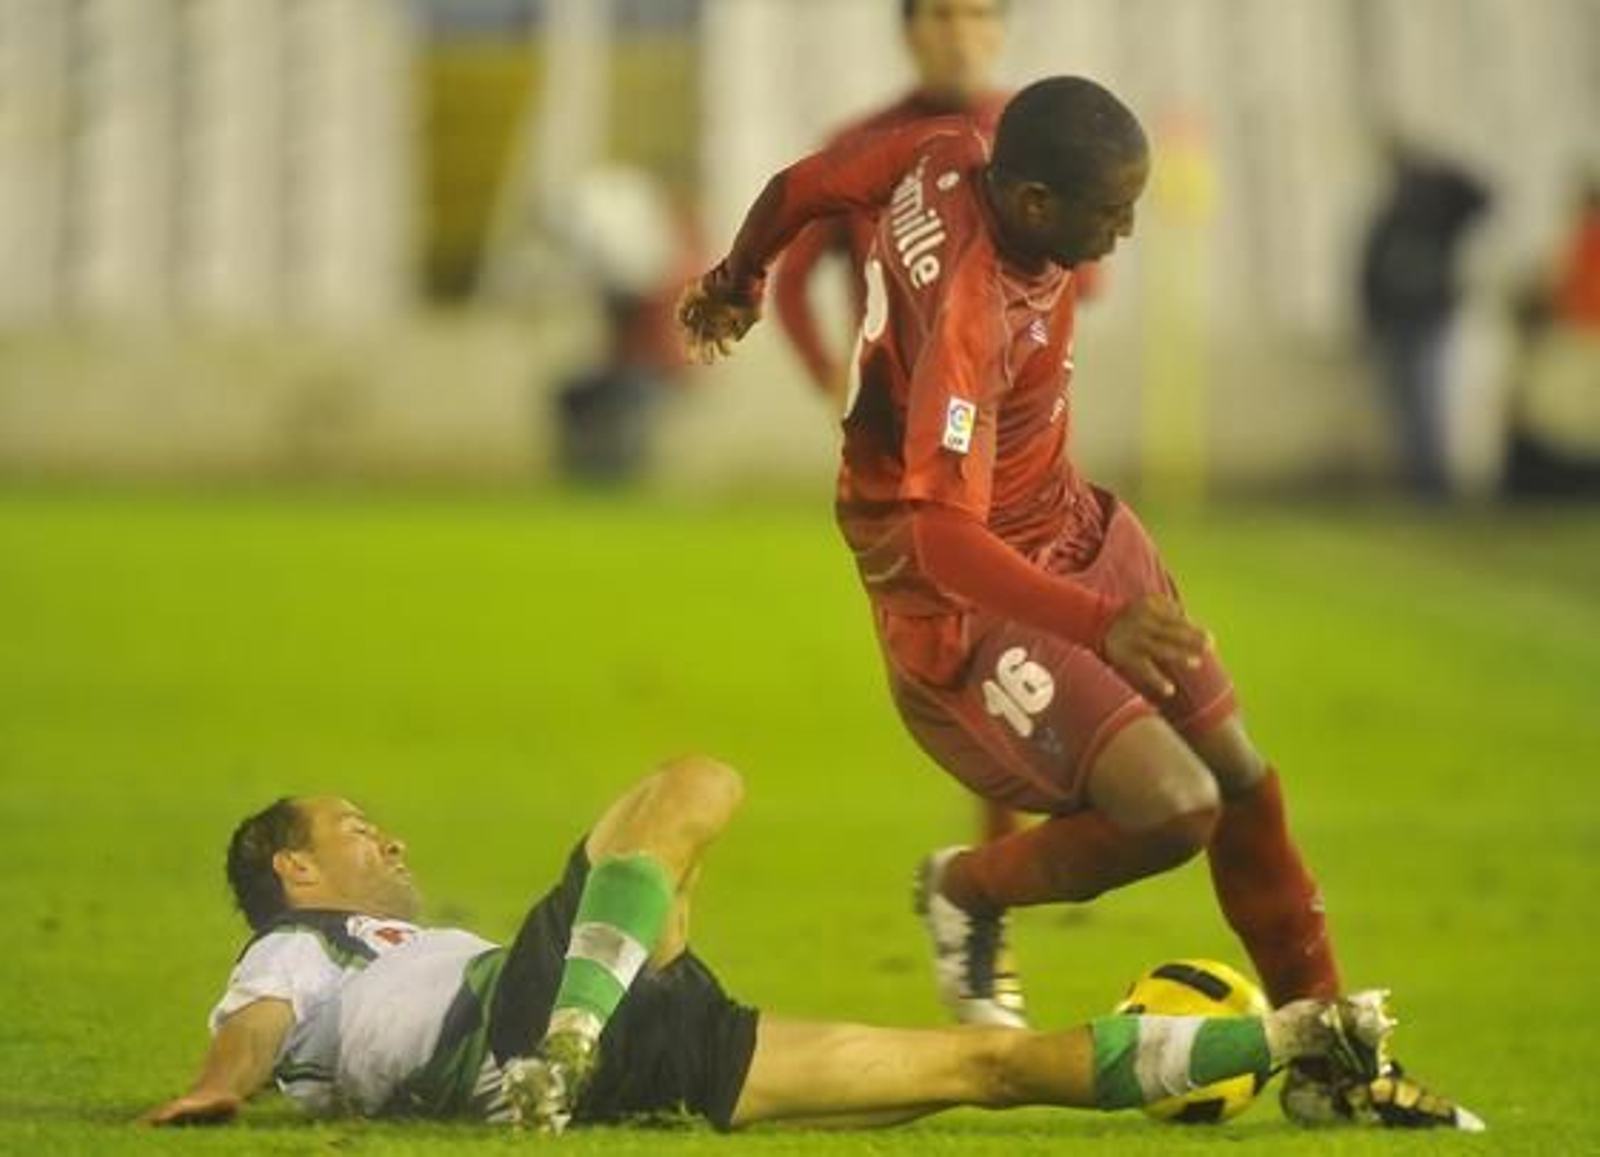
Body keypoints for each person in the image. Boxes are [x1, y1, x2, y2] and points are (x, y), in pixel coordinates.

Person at [677, 76, 1480, 1129]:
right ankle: (970, 886)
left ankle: (1328, 1058)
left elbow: (807, 183)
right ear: (1035, 203)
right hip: (966, 584)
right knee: (1172, 807)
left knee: (1238, 772)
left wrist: (736, 277)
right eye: (1110, 212)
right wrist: (1095, 622)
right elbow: (938, 532)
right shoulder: (970, 305)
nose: (1127, 229)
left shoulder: (944, 146)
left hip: (1079, 529)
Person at [142, 755, 1406, 1134]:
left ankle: (1301, 1033)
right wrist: (209, 1093)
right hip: (504, 1019)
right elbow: (247, 1032)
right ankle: (566, 1041)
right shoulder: (304, 952)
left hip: (648, 1039)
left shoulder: (409, 933)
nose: (388, 834)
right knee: (692, 784)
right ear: (292, 872)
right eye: (355, 827)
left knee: (970, 1073)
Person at [1358, 143, 1491, 497]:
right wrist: (1372, 321)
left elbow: (1483, 197)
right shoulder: (1389, 219)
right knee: (1410, 405)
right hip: (1399, 323)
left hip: (1429, 319)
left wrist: (1440, 166)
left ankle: (1433, 483)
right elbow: (1367, 275)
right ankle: (1421, 480)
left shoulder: (1439, 216)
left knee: (1427, 400)